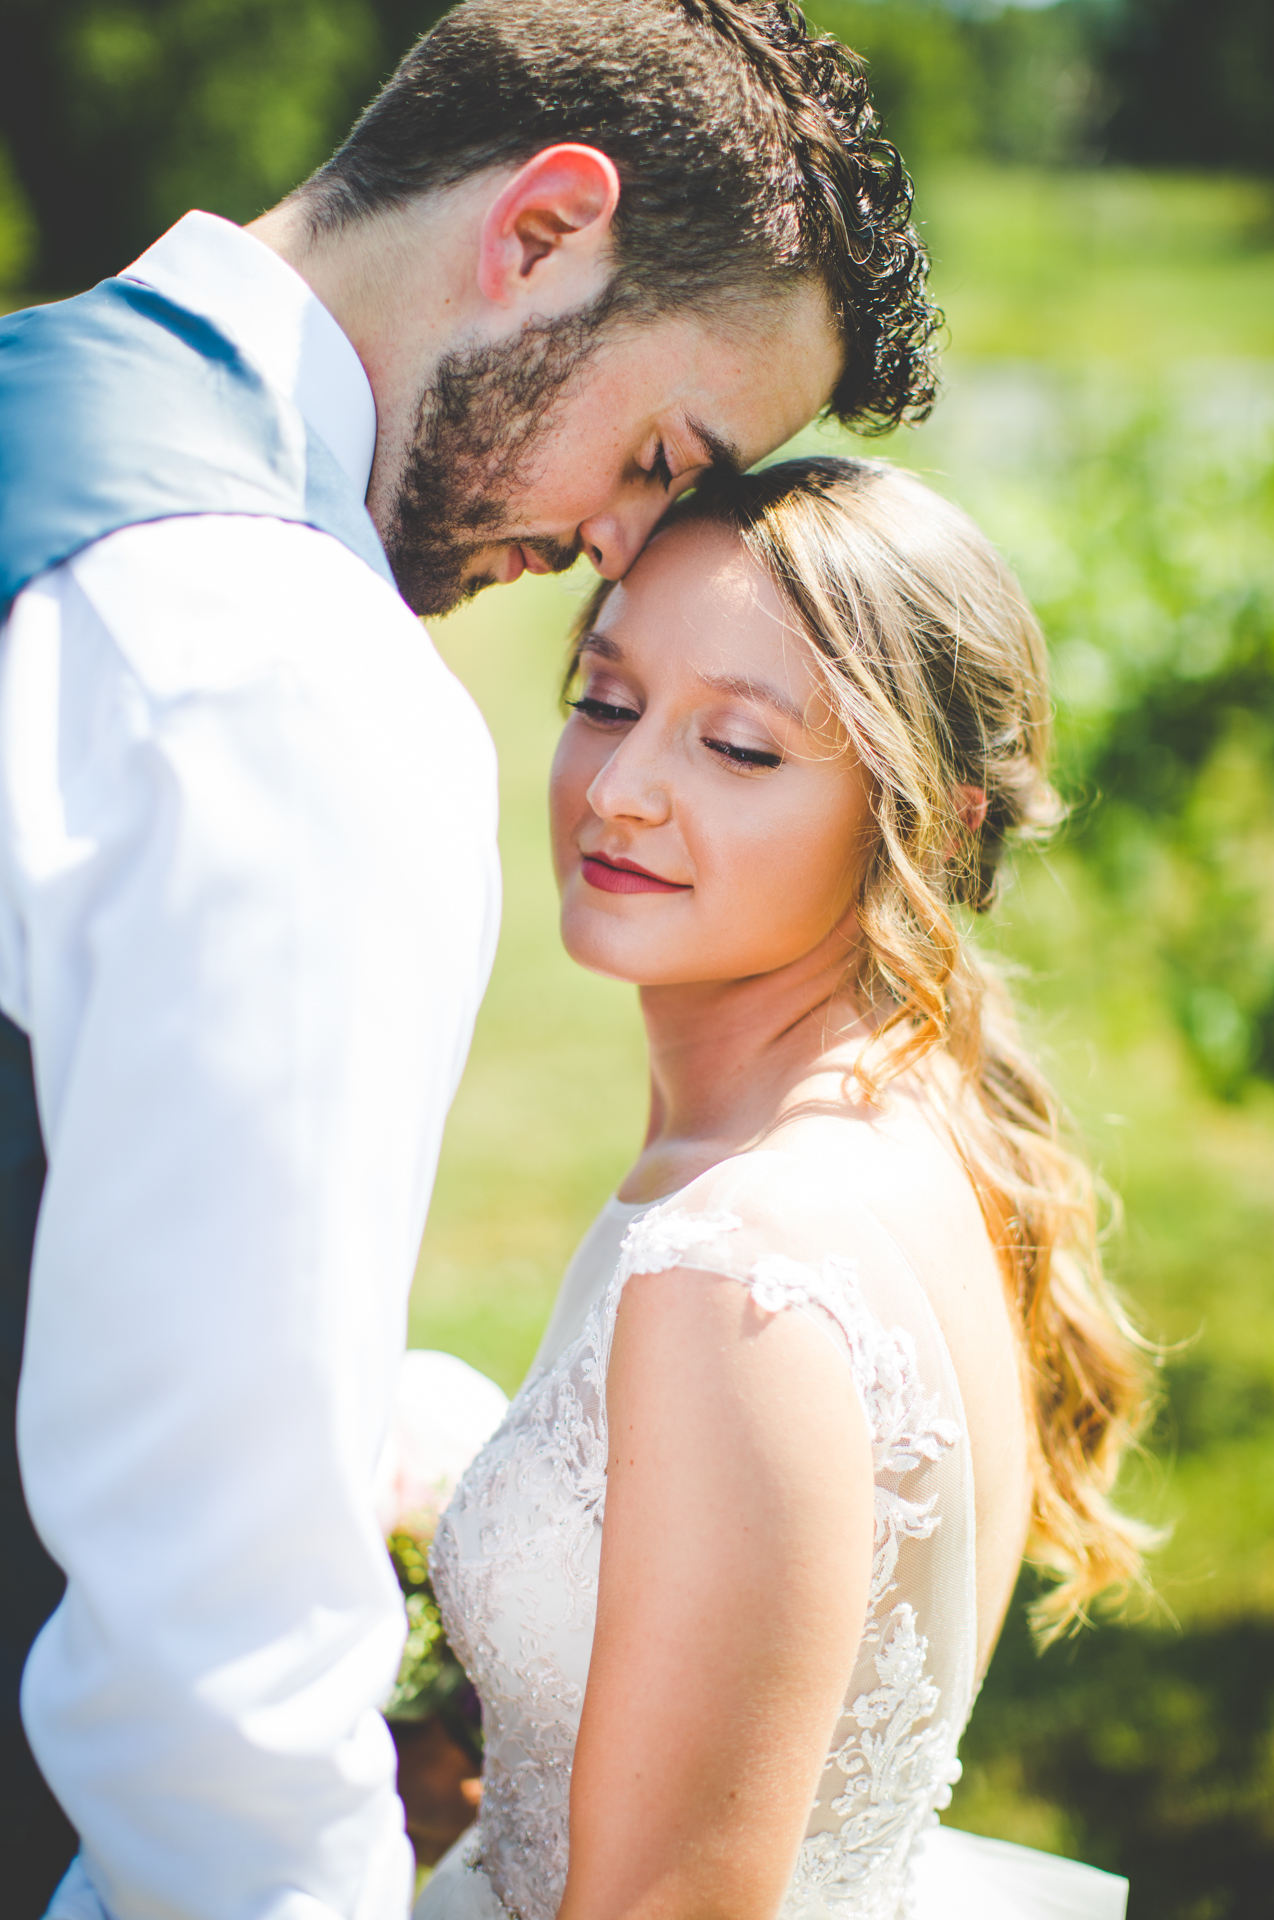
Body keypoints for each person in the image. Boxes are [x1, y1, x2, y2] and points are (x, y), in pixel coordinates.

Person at [0, 4, 942, 1914]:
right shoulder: (280, 672)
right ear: (539, 230)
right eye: (660, 453)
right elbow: (216, 1646)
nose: (617, 545)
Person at [420, 456, 1156, 1920]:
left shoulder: (740, 1270)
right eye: (608, 702)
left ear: (930, 823)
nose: (619, 792)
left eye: (740, 749)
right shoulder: (933, 1121)